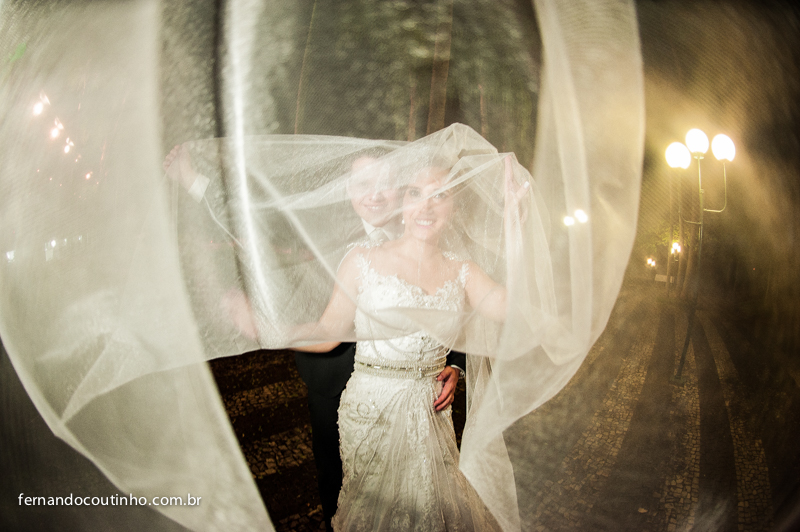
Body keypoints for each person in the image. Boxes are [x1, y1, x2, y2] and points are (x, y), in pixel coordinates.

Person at [163, 147, 466, 531]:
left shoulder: (425, 226)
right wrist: (193, 181)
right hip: (333, 382)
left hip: (415, 396)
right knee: (342, 485)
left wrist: (456, 361)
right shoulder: (315, 230)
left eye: (386, 184)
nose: (374, 194)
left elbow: (456, 294)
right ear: (346, 189)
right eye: (361, 183)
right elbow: (249, 220)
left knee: (419, 493)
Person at [293, 160, 528, 531]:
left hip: (429, 409)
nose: (426, 206)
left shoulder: (463, 270)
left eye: (440, 195)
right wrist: (262, 330)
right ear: (402, 204)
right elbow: (328, 331)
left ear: (454, 209)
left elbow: (510, 307)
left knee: (432, 510)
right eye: (415, 194)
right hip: (368, 409)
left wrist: (514, 222)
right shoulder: (361, 258)